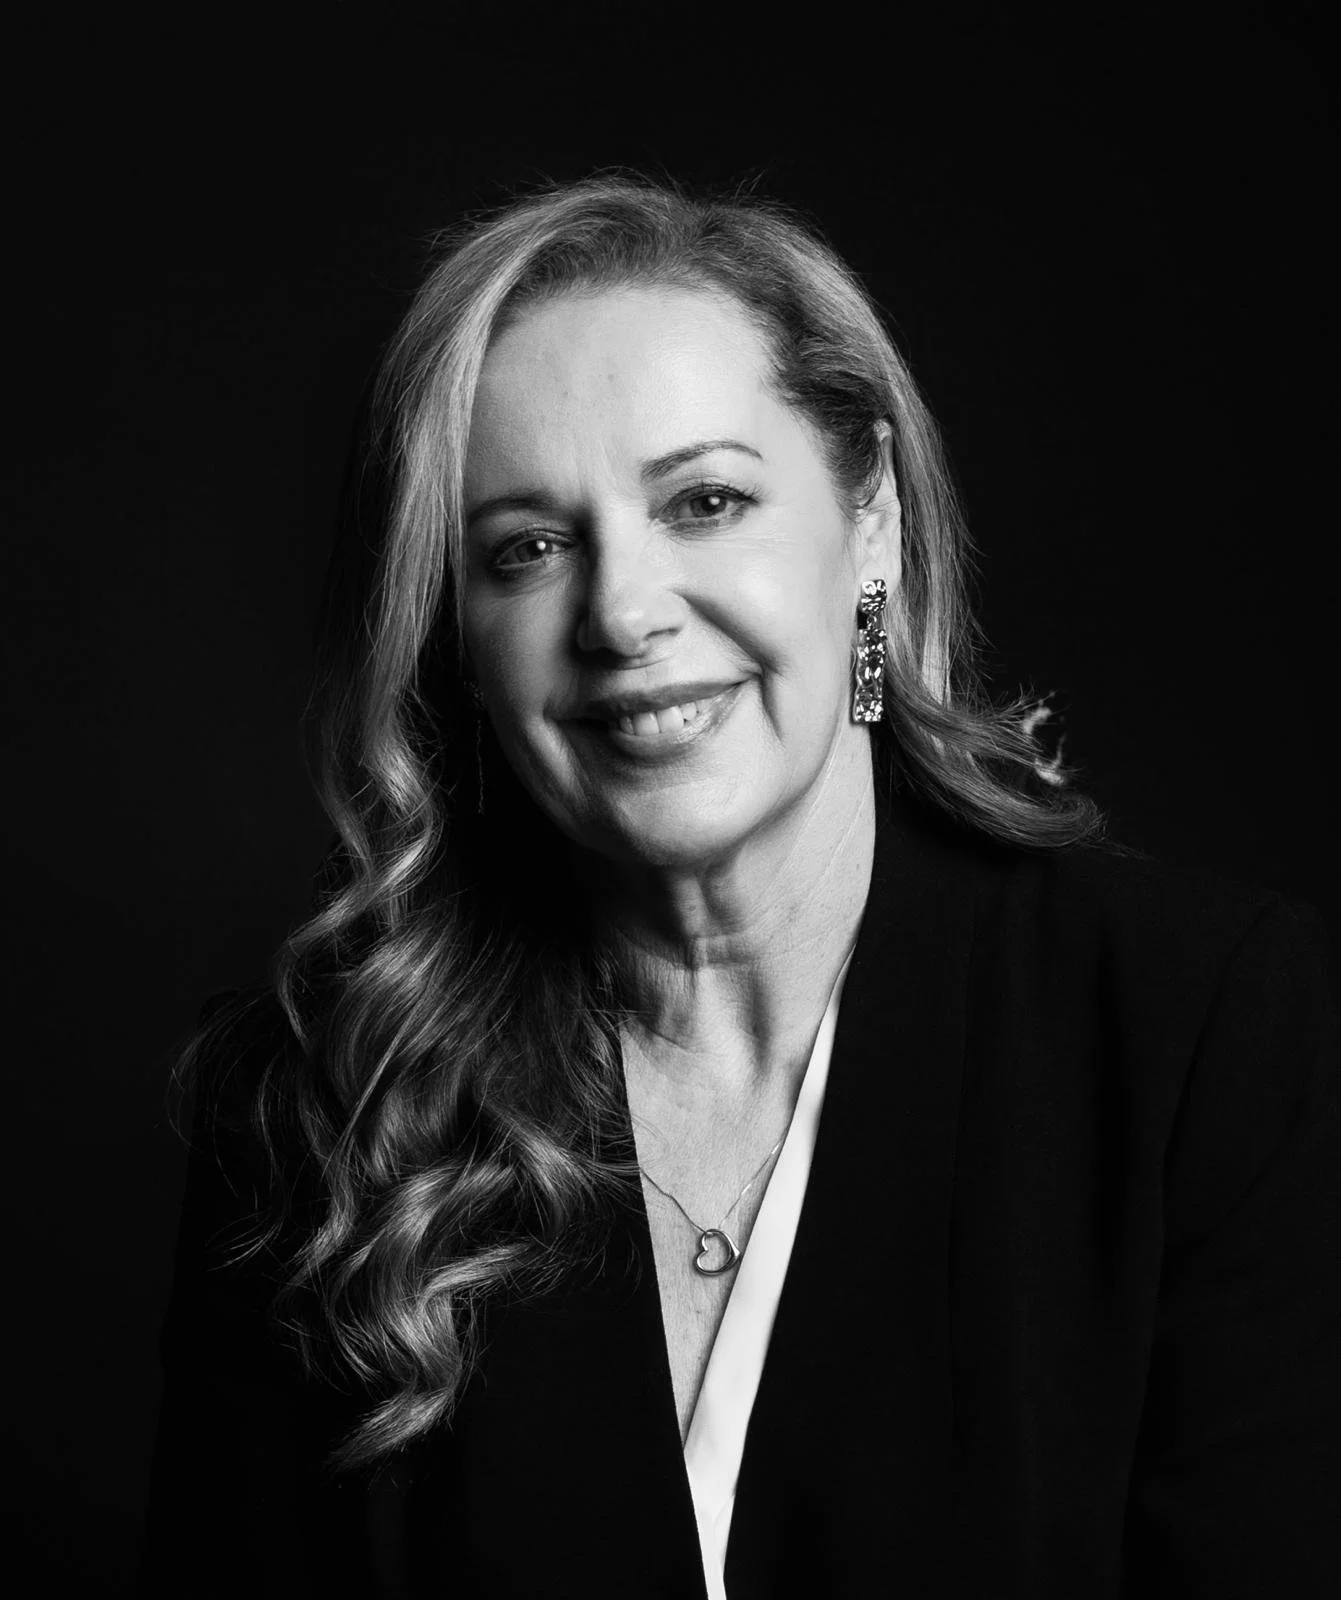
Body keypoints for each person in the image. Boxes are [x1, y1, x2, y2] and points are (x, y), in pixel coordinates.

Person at [139, 171, 1341, 1600]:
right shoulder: (316, 1115)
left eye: (705, 501)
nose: (625, 614)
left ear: (872, 527)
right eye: (528, 547)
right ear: (458, 634)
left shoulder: (1204, 1033)